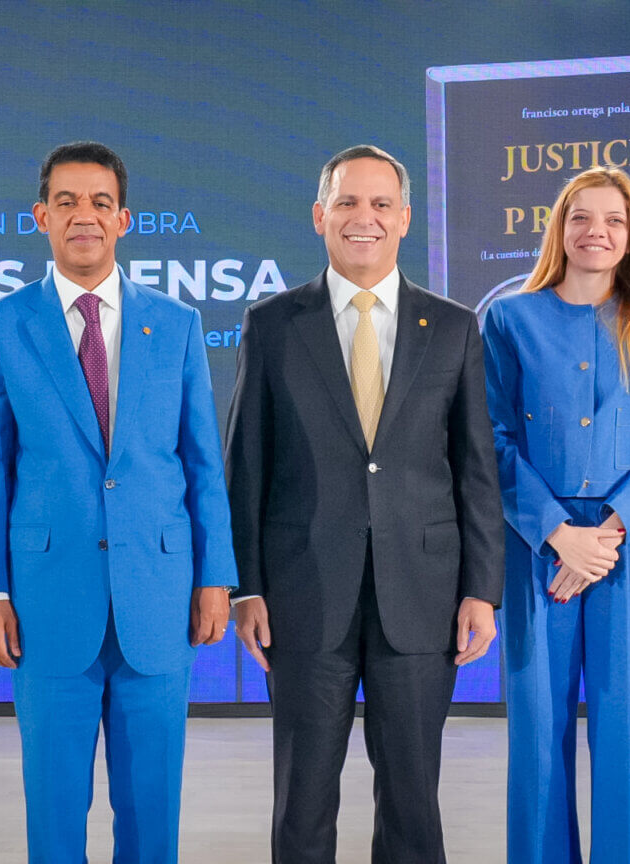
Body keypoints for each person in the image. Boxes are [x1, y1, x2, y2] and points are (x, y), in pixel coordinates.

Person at [225, 144, 502, 863]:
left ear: (405, 218)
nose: (364, 217)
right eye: (347, 202)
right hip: (303, 595)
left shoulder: (452, 326)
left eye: (381, 204)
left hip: (423, 596)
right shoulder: (273, 324)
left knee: (413, 802)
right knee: (303, 800)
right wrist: (246, 587)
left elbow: (476, 470)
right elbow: (246, 466)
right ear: (320, 215)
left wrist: (482, 591)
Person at [0, 141, 237, 863]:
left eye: (99, 202)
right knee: (55, 814)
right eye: (67, 202)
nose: (83, 215)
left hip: (160, 596)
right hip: (48, 601)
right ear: (41, 217)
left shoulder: (176, 324)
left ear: (123, 219)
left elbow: (203, 462)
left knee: (152, 813)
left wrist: (217, 576)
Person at [482, 166, 630, 863]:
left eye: (613, 219)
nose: (595, 231)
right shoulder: (508, 320)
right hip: (535, 550)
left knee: (628, 733)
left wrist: (604, 536)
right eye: (581, 217)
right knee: (537, 734)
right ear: (559, 228)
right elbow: (491, 439)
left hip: (629, 551)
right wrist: (556, 532)